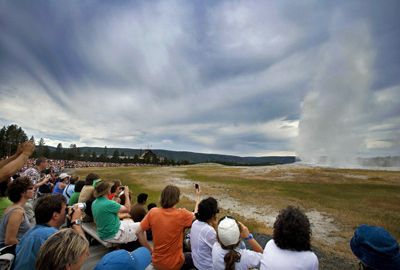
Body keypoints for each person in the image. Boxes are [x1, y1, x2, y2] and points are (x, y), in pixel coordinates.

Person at [12, 194, 83, 270]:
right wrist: (76, 223)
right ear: (55, 215)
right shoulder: (51, 235)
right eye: (65, 209)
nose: (67, 212)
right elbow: (82, 254)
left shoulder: (33, 232)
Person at [137, 185, 201, 270]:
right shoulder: (182, 214)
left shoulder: (153, 212)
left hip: (157, 262)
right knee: (195, 258)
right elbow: (196, 214)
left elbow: (138, 232)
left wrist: (150, 250)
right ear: (177, 199)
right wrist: (198, 196)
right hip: (175, 264)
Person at [91, 181, 150, 249]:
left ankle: (127, 246)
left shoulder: (95, 202)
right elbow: (127, 209)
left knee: (130, 221)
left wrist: (116, 194)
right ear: (107, 191)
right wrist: (126, 194)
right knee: (141, 227)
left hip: (103, 233)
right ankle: (148, 250)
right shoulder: (108, 204)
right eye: (110, 188)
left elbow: (107, 211)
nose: (111, 189)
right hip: (113, 235)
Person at [0, 177, 33, 248]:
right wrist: (26, 248)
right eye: (30, 188)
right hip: (11, 251)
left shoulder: (14, 207)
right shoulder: (17, 212)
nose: (34, 189)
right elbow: (9, 240)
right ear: (22, 192)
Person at [190, 197, 219, 270]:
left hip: (196, 262)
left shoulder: (195, 223)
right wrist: (215, 227)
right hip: (206, 267)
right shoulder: (208, 231)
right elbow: (219, 249)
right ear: (212, 216)